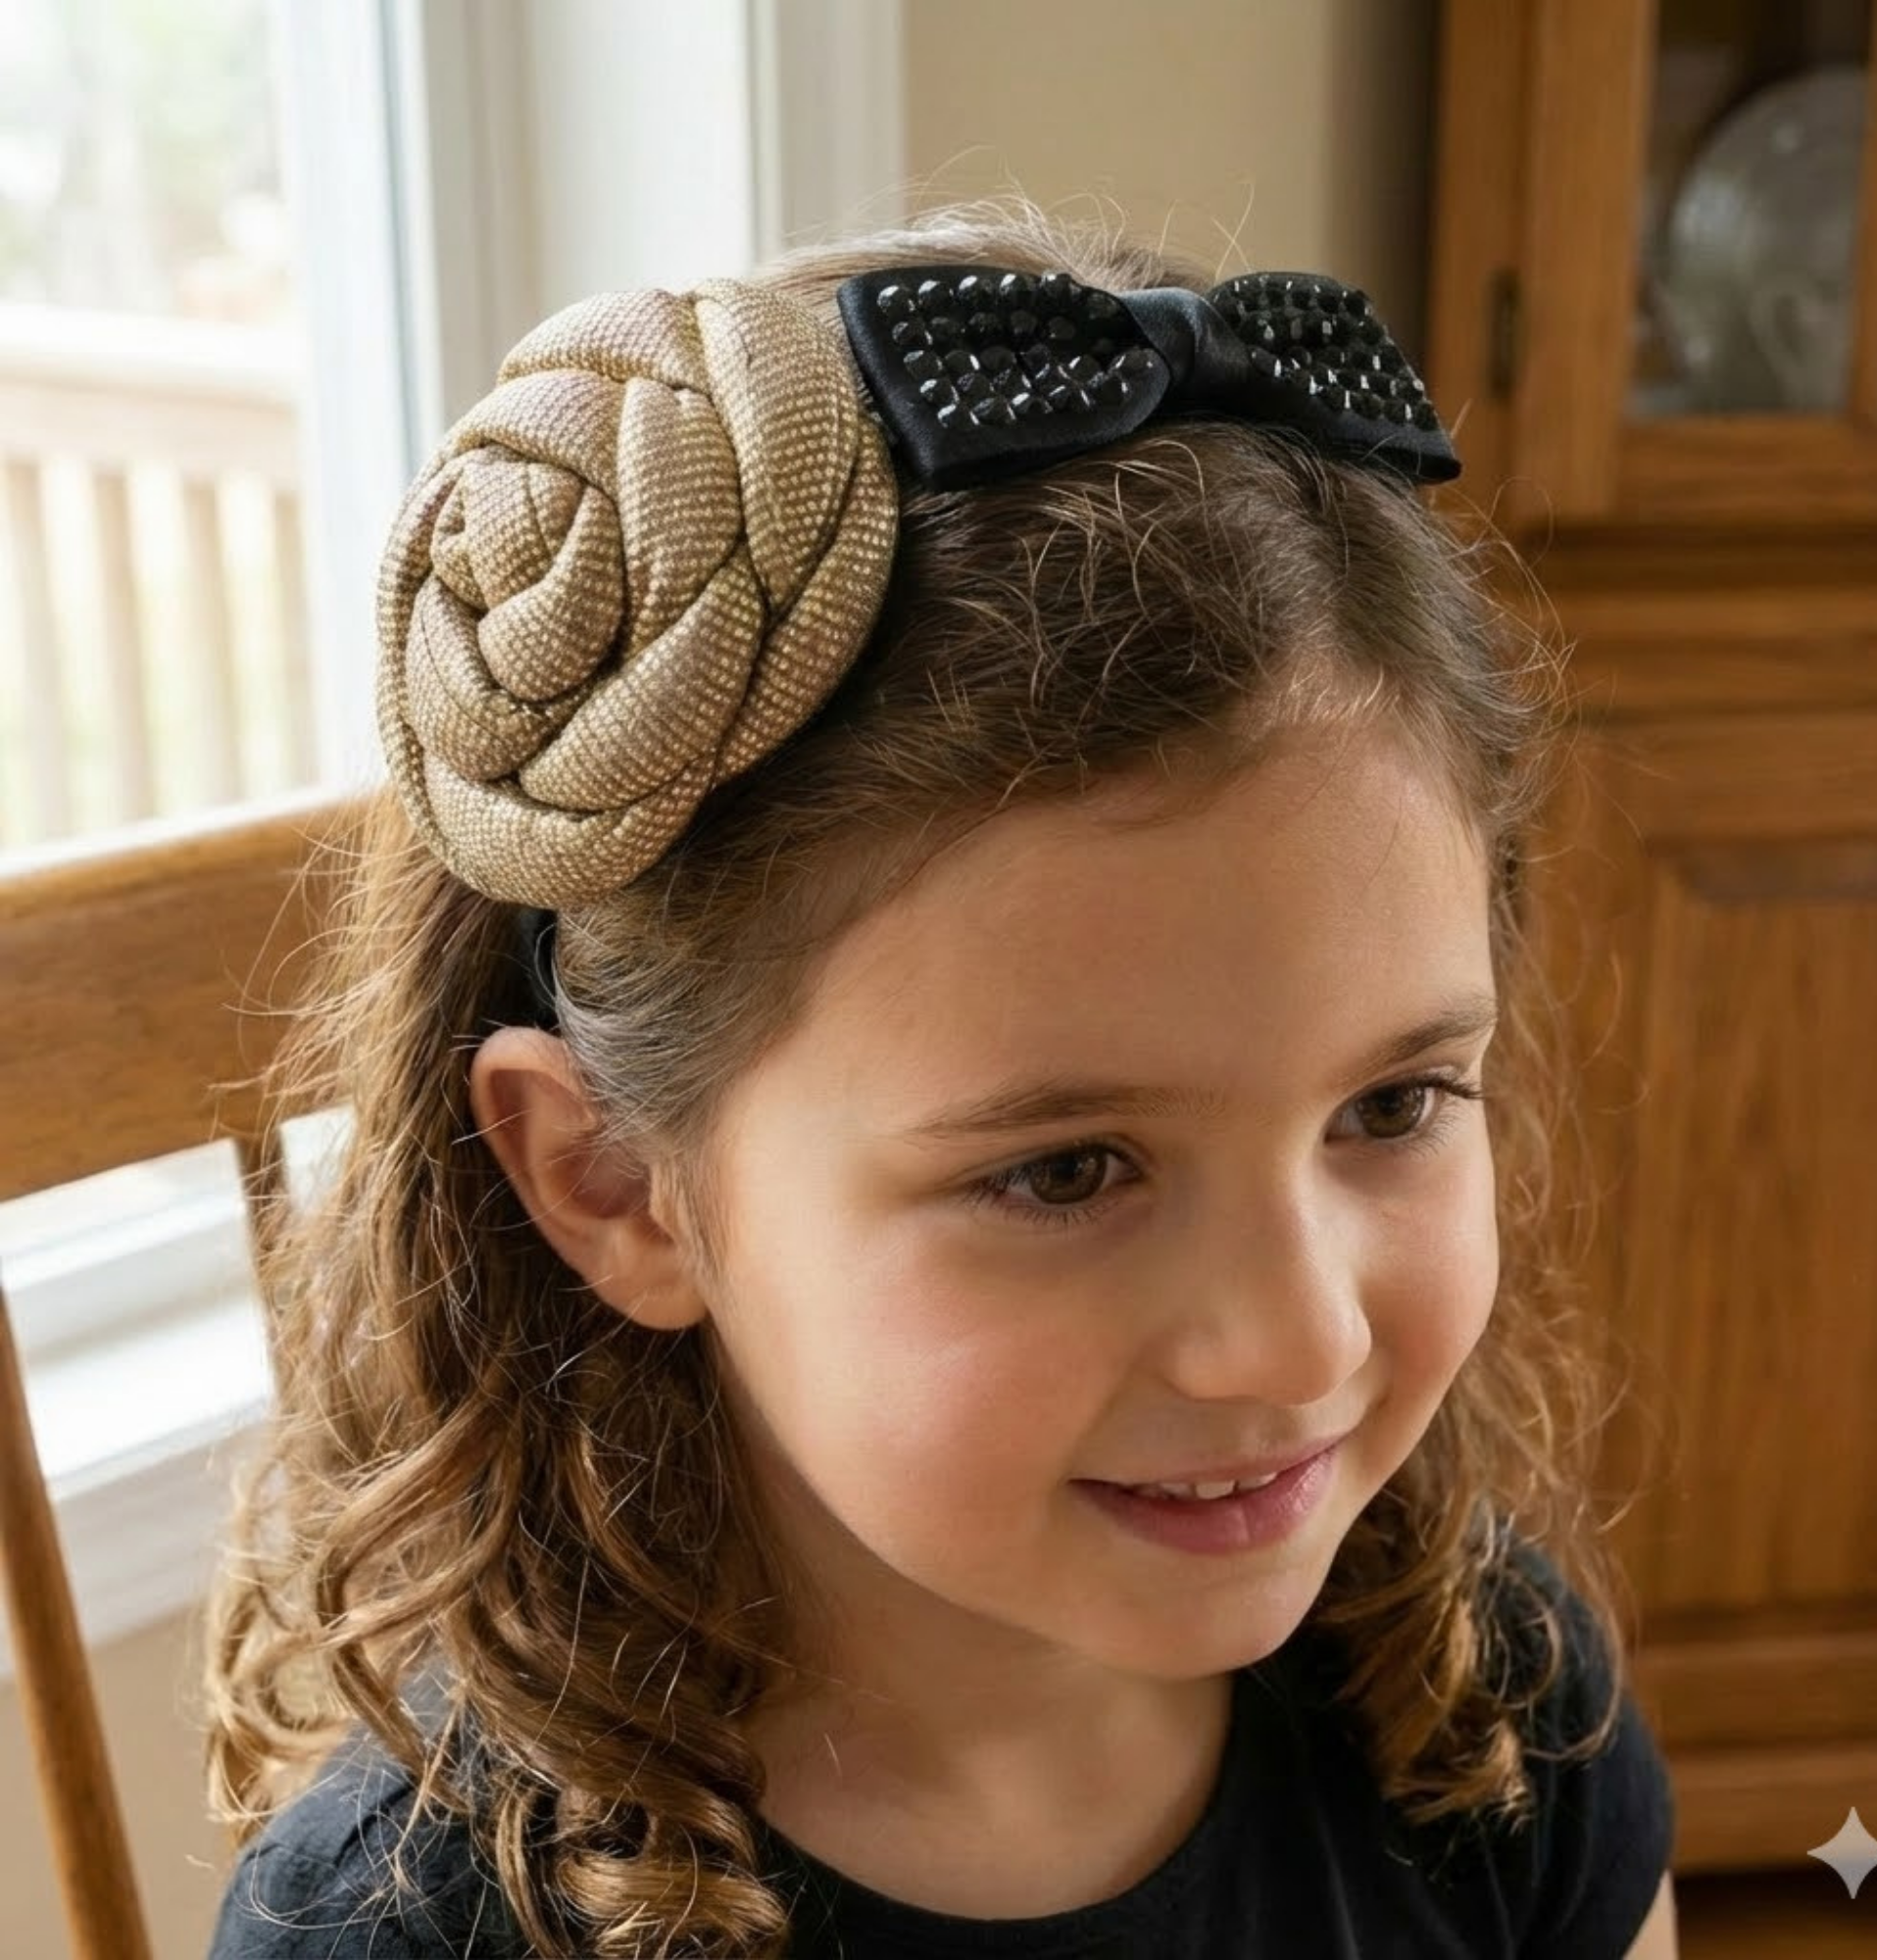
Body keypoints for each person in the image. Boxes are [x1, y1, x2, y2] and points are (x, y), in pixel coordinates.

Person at [202, 197, 1678, 1958]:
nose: (1298, 1344)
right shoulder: (412, 1931)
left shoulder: (1488, 1706)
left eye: (1394, 1105)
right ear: (615, 1182)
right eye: (1067, 1171)